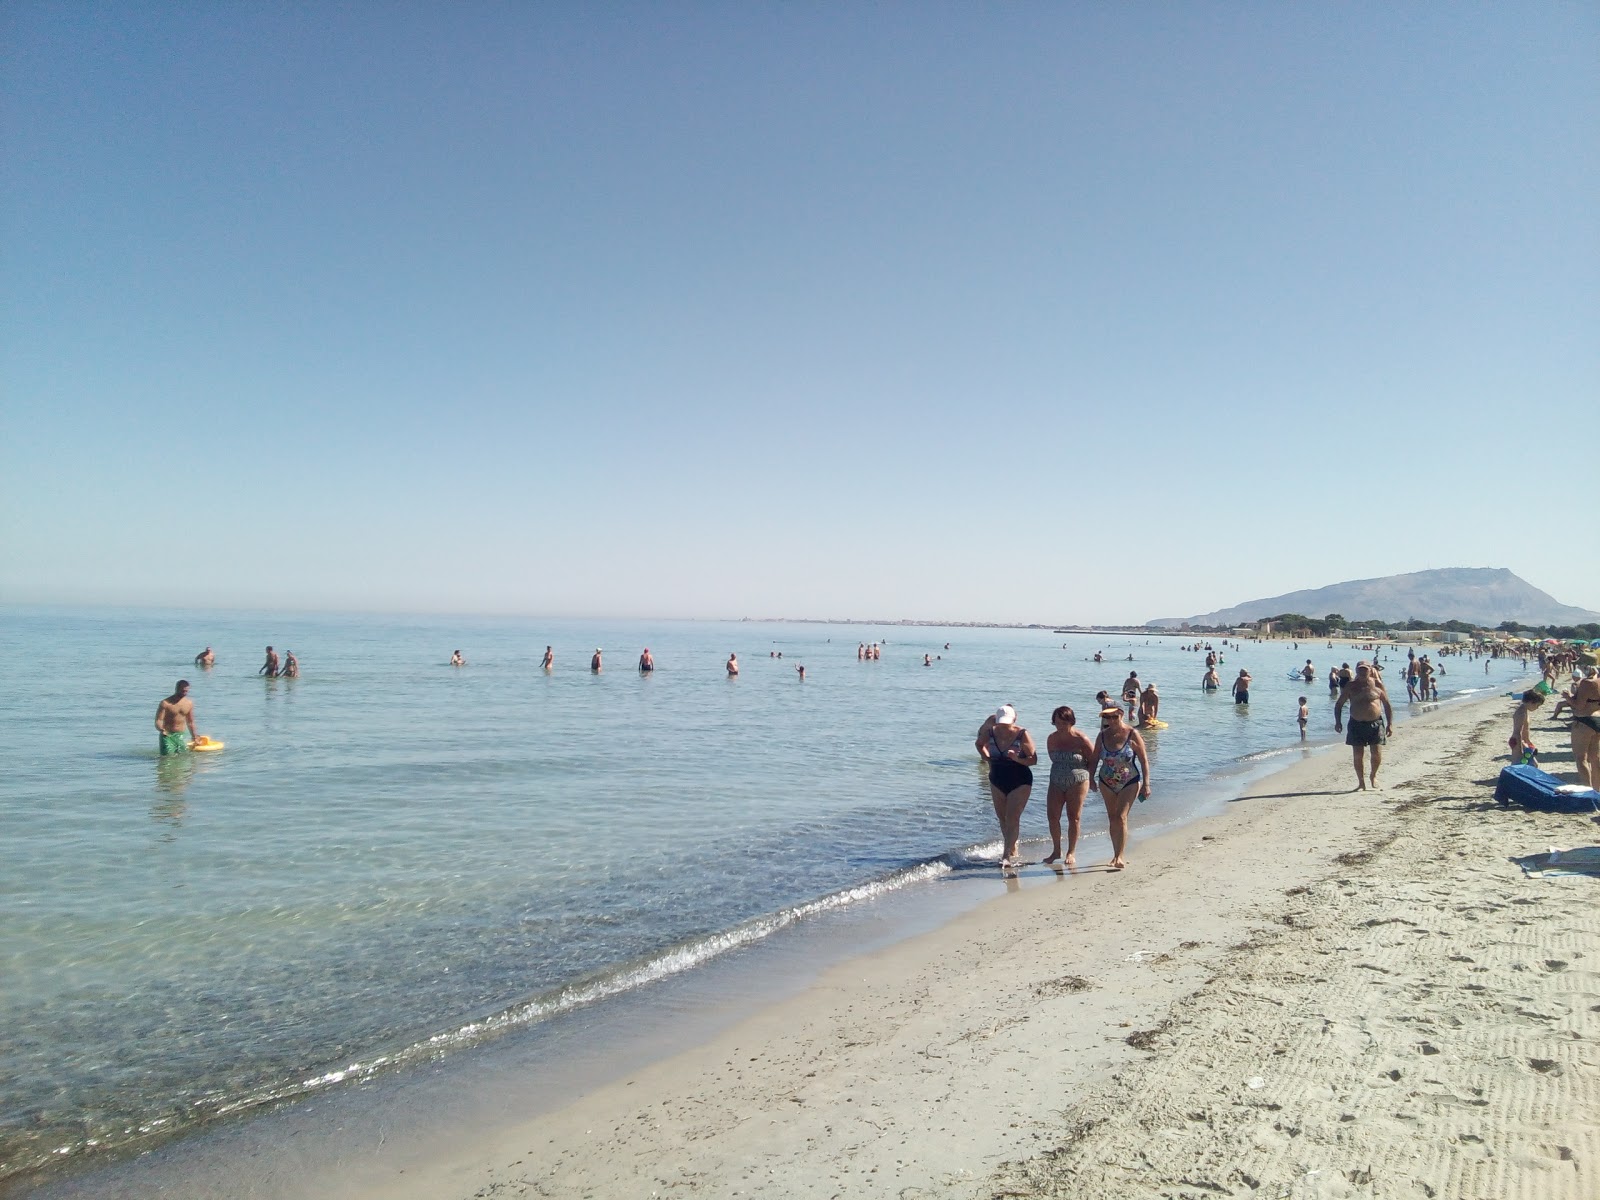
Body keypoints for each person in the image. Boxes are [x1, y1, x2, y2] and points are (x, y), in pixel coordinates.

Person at [1088, 706, 1150, 870]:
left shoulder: (1132, 733)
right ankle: (1115, 853)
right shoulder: (1102, 736)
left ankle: (1120, 856)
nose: (1111, 721)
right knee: (1112, 818)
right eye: (1108, 718)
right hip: (1106, 781)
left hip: (1129, 780)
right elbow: (1094, 758)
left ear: (1121, 715)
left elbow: (1144, 760)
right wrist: (1091, 778)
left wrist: (1146, 784)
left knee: (1121, 816)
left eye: (1114, 717)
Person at [976, 704, 1036, 868]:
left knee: (1013, 817)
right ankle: (1012, 847)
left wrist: (1018, 759)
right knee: (1002, 818)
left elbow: (1033, 759)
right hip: (997, 778)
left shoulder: (1022, 734)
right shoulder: (990, 732)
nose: (1003, 726)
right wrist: (987, 758)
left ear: (1013, 720)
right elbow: (979, 744)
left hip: (1019, 779)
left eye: (1006, 723)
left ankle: (1006, 856)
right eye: (1001, 723)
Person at [1044, 706, 1093, 866]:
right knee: (1052, 816)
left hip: (1078, 780)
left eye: (1064, 722)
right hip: (1056, 780)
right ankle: (1056, 850)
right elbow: (1053, 759)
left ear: (1071, 721)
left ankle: (1071, 852)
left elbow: (1093, 759)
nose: (1060, 726)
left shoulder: (1081, 739)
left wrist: (1092, 779)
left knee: (1074, 817)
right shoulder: (1051, 738)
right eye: (1057, 722)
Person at [1334, 662, 1394, 790]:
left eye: (1365, 670)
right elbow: (1339, 704)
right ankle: (1361, 781)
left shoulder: (1377, 684)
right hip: (1356, 724)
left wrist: (1390, 724)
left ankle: (1373, 776)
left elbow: (1387, 705)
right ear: (1356, 670)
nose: (1362, 672)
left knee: (1376, 753)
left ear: (1370, 670)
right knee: (1357, 754)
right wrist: (1338, 722)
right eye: (1360, 670)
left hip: (1376, 723)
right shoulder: (1351, 686)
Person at [1570, 667, 1600, 788]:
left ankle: (1587, 790)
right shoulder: (1598, 680)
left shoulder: (1587, 683)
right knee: (1595, 758)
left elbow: (1579, 705)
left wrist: (1568, 697)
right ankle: (1597, 791)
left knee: (1581, 758)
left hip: (1584, 720)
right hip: (1597, 718)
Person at [155, 680, 197, 756]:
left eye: (186, 691)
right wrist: (161, 729)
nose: (185, 693)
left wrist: (194, 736)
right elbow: (159, 720)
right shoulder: (165, 703)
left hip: (181, 735)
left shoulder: (188, 703)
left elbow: (190, 722)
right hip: (167, 735)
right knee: (167, 759)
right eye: (183, 691)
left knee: (183, 757)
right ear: (177, 689)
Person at [1509, 690, 1544, 764]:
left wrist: (1528, 742)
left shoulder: (1524, 710)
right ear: (1531, 702)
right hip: (1517, 741)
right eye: (1537, 705)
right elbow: (1518, 732)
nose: (1537, 708)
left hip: (1523, 741)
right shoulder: (1521, 713)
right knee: (1519, 763)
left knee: (1532, 763)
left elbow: (1526, 730)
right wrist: (1520, 748)